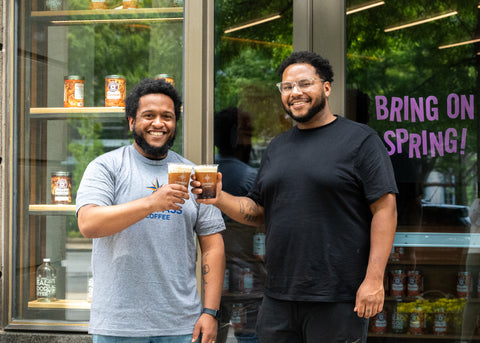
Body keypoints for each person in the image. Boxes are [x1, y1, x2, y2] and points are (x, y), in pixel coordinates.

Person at [192, 51, 398, 343]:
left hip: (337, 297)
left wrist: (374, 279)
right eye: (287, 87)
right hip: (278, 297)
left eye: (304, 84)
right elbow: (259, 210)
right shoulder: (278, 147)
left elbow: (385, 209)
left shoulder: (361, 141)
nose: (295, 93)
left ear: (326, 87)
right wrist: (218, 198)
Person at [76, 78, 226, 343]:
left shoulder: (195, 175)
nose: (159, 123)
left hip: (182, 324)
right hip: (118, 325)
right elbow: (88, 223)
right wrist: (152, 203)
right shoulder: (105, 167)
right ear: (132, 121)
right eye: (149, 115)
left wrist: (210, 312)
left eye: (167, 116)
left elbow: (212, 246)